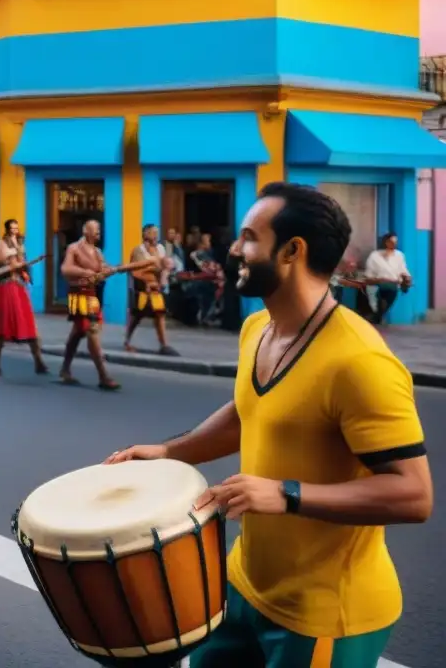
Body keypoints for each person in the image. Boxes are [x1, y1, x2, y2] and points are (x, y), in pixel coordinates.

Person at [107, 183, 432, 668]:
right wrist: (170, 452)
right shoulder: (256, 328)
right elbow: (251, 411)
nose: (234, 248)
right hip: (242, 585)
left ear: (292, 251)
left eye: (248, 237)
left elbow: (413, 495)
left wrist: (286, 494)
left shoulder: (359, 362)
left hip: (321, 615)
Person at [58, 220, 121, 390]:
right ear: (86, 231)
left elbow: (101, 270)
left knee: (78, 333)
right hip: (78, 295)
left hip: (92, 295)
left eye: (99, 229)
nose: (99, 232)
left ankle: (64, 369)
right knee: (90, 331)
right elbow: (65, 269)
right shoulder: (74, 248)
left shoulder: (98, 252)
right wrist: (85, 272)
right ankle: (103, 375)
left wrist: (109, 270)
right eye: (96, 229)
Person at [0, 219, 48, 375]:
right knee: (0, 328)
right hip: (5, 289)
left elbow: (23, 266)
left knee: (30, 326)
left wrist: (24, 269)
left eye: (17, 228)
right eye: (12, 228)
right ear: (7, 229)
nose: (15, 231)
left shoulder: (20, 247)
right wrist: (8, 268)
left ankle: (39, 362)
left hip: (19, 289)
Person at [124, 224, 179, 355]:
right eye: (152, 232)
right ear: (145, 234)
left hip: (156, 289)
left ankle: (164, 344)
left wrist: (162, 275)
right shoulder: (138, 250)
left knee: (159, 314)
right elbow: (135, 271)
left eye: (157, 232)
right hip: (142, 289)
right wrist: (149, 275)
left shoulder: (160, 249)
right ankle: (127, 340)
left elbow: (165, 266)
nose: (156, 235)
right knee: (137, 316)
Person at [363, 232, 411, 324]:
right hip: (377, 285)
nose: (394, 243)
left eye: (395, 241)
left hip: (393, 285)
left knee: (389, 297)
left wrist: (407, 279)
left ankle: (377, 315)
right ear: (385, 242)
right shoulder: (375, 256)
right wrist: (378, 280)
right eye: (391, 241)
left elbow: (403, 270)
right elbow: (369, 275)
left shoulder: (399, 255)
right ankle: (376, 314)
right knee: (377, 302)